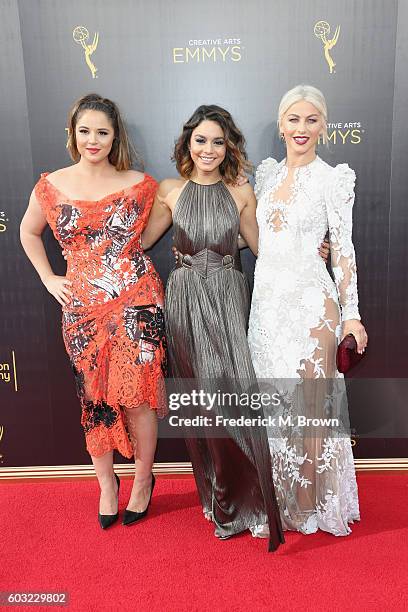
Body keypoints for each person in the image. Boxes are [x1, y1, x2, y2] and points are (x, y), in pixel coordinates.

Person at [141, 105, 285, 551]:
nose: (208, 149)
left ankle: (250, 498)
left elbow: (262, 247)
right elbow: (142, 242)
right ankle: (222, 499)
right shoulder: (170, 191)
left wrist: (304, 247)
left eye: (217, 141)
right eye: (200, 140)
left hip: (227, 294)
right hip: (184, 298)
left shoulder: (240, 190)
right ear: (188, 143)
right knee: (204, 400)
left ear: (229, 147)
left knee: (232, 394)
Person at [20, 94, 167, 529]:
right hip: (81, 308)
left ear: (114, 135)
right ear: (73, 133)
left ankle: (143, 480)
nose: (93, 140)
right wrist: (49, 278)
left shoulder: (142, 185)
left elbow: (153, 232)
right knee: (94, 398)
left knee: (139, 397)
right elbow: (28, 232)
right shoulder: (50, 186)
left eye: (102, 131)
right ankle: (106, 483)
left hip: (136, 303)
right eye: (85, 131)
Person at [247, 84, 368, 535]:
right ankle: (278, 498)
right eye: (293, 119)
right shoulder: (265, 177)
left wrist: (351, 313)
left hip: (313, 306)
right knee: (274, 405)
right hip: (267, 306)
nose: (302, 128)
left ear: (323, 125)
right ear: (281, 125)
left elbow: (344, 250)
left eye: (311, 119)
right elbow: (257, 237)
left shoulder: (333, 179)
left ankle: (308, 504)